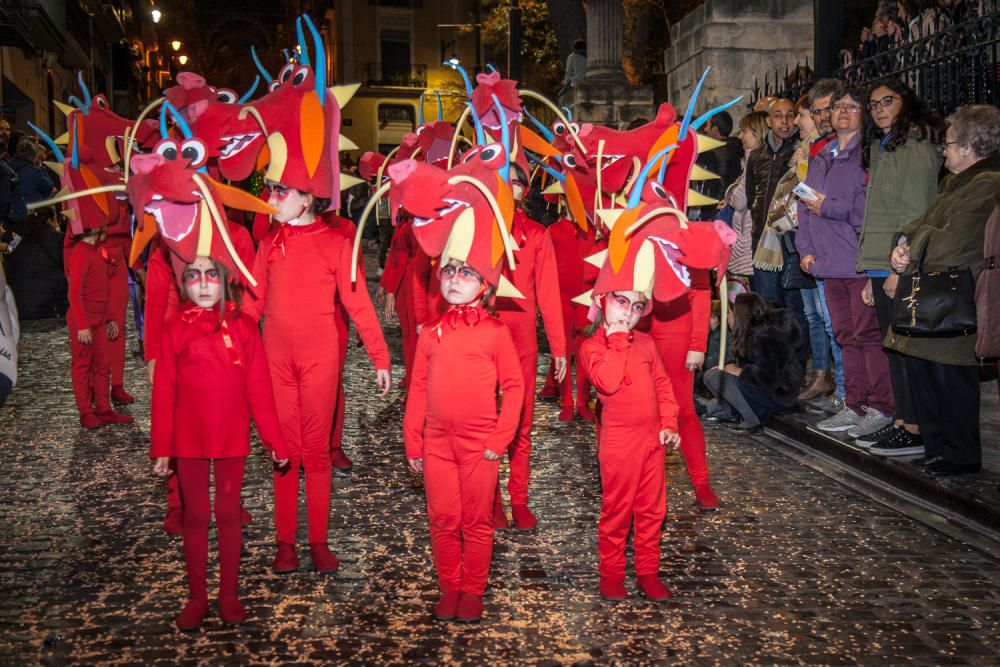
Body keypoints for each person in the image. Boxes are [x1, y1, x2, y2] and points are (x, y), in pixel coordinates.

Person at [244, 178, 391, 574]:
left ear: (308, 198)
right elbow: (251, 303)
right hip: (277, 359)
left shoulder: (336, 244)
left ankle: (318, 540)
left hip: (319, 360)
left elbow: (357, 302)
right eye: (270, 191)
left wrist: (379, 356)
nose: (271, 199)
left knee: (316, 453)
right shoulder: (269, 244)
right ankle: (286, 542)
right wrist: (232, 349)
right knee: (284, 453)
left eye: (281, 191)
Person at [151, 255, 290, 631]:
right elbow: (164, 391)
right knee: (195, 516)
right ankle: (197, 597)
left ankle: (229, 593)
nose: (204, 284)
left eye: (212, 275)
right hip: (189, 438)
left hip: (231, 437)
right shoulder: (175, 329)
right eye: (194, 276)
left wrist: (274, 441)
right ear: (184, 283)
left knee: (228, 514)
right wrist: (163, 446)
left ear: (225, 279)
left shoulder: (244, 328)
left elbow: (259, 391)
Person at [403, 260, 524, 624]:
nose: (455, 279)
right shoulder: (431, 333)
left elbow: (515, 387)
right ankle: (450, 586)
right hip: (437, 443)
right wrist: (413, 439)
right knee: (441, 517)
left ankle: (472, 589)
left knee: (475, 520)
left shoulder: (496, 332)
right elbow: (419, 387)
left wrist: (500, 438)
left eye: (466, 273)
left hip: (480, 445)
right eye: (449, 271)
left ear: (485, 287)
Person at [886, 104, 1000, 476]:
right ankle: (937, 447)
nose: (943, 150)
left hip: (955, 295)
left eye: (949, 143)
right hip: (932, 291)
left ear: (970, 147)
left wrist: (912, 243)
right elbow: (923, 223)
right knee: (925, 374)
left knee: (952, 380)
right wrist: (902, 239)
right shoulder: (954, 182)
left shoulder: (988, 184)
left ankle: (961, 455)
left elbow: (955, 240)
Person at [798, 85, 895, 438]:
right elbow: (802, 204)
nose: (842, 112)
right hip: (826, 262)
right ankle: (853, 404)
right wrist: (804, 248)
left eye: (852, 107)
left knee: (867, 335)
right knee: (844, 336)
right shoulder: (822, 154)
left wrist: (827, 207)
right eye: (838, 106)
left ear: (863, 114)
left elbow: (866, 209)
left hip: (856, 261)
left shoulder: (868, 156)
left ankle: (880, 406)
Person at [857, 79, 943, 456]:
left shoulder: (917, 145)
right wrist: (870, 268)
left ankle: (914, 425)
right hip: (880, 259)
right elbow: (878, 208)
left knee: (905, 346)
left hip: (902, 261)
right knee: (892, 345)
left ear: (905, 101)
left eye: (886, 101)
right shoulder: (883, 145)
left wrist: (896, 268)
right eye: (873, 104)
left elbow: (916, 211)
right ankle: (901, 420)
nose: (878, 109)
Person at [579, 290, 680, 601]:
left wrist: (668, 423)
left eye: (636, 306)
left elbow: (663, 385)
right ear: (600, 302)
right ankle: (611, 573)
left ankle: (648, 572)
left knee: (652, 510)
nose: (628, 312)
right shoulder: (591, 347)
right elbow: (607, 382)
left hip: (652, 440)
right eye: (620, 302)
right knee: (618, 510)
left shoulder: (647, 343)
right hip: (620, 443)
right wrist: (618, 339)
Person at [492, 178, 566, 530]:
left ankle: (518, 498)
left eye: (516, 179)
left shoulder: (537, 234)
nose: (510, 186)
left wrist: (559, 348)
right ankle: (490, 499)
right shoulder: (475, 228)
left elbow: (549, 294)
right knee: (484, 423)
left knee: (521, 425)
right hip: (480, 339)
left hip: (521, 342)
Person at [703, 293, 804, 432]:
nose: (727, 318)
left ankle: (753, 420)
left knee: (716, 377)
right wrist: (731, 366)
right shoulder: (751, 334)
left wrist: (739, 371)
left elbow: (768, 378)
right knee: (711, 374)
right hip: (763, 389)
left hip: (778, 395)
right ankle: (731, 412)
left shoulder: (764, 338)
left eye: (730, 314)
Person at [790, 94, 835, 403]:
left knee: (830, 320)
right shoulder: (806, 151)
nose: (798, 122)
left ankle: (841, 387)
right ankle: (820, 374)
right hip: (804, 241)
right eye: (812, 113)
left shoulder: (827, 152)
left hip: (829, 246)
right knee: (813, 315)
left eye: (802, 115)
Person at [65, 225, 132, 429]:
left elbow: (103, 288)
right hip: (83, 319)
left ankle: (104, 409)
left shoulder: (96, 251)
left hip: (99, 318)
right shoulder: (80, 254)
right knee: (82, 365)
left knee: (102, 365)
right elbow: (74, 293)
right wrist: (83, 325)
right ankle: (86, 412)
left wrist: (110, 317)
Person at [745, 98, 798, 255]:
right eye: (778, 115)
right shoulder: (756, 155)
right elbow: (750, 197)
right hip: (762, 236)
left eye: (790, 115)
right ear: (769, 121)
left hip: (790, 238)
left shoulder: (799, 150)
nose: (784, 121)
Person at [723, 111, 768, 281]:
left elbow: (740, 199)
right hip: (747, 234)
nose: (741, 136)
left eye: (744, 131)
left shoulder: (755, 160)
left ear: (756, 132)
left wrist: (730, 193)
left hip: (749, 235)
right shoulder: (754, 159)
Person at [8, 207, 67, 320]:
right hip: (49, 307)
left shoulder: (17, 238)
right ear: (50, 220)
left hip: (18, 306)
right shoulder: (59, 239)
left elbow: (9, 258)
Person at [698, 110, 743, 203]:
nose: (705, 129)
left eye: (708, 126)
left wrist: (714, 205)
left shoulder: (719, 151)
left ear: (715, 129)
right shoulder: (731, 147)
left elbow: (720, 180)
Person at [8, 138, 54, 228]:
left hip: (12, 215)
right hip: (30, 217)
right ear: (33, 154)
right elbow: (48, 186)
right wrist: (42, 169)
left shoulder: (8, 166)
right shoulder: (35, 171)